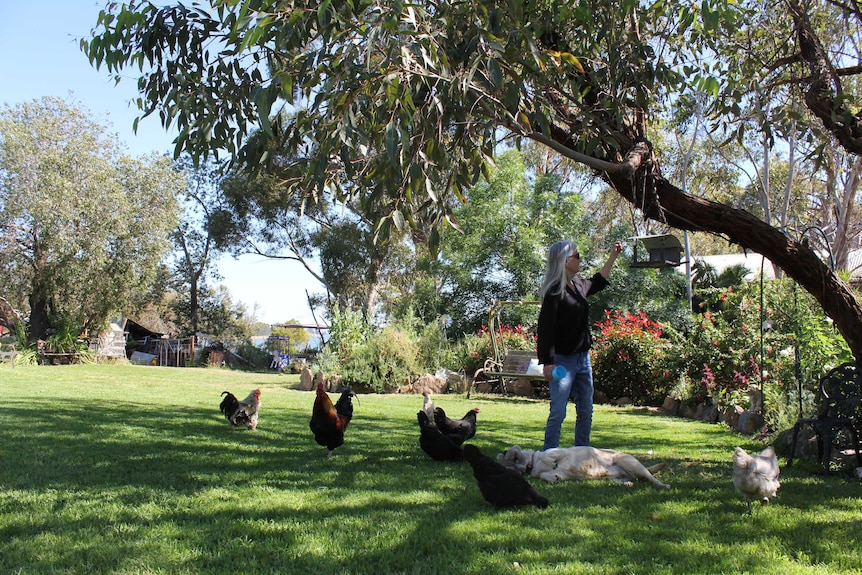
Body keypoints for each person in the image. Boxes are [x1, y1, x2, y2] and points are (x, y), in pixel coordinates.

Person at [536, 240, 623, 449]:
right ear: (565, 261)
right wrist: (548, 363)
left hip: (583, 360)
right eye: (577, 255)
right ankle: (549, 457)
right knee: (558, 411)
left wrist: (612, 256)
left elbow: (599, 280)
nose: (580, 259)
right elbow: (545, 328)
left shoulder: (579, 285)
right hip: (562, 363)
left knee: (585, 410)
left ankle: (582, 454)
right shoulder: (555, 291)